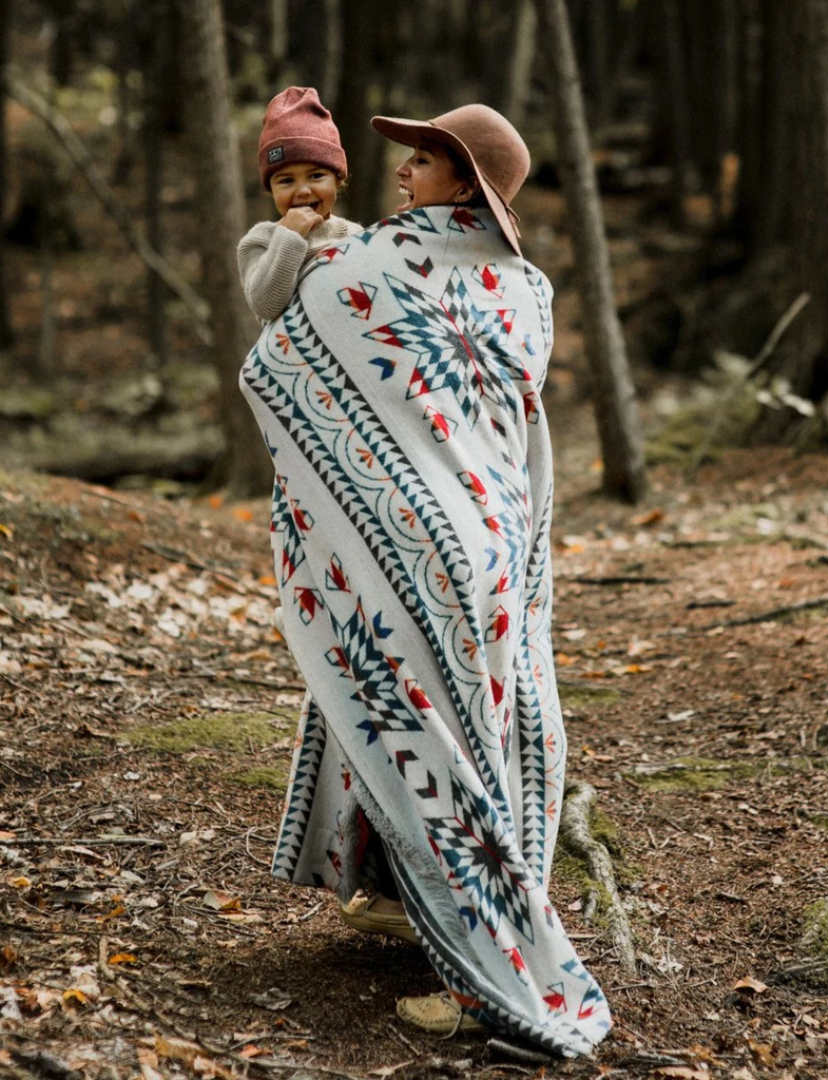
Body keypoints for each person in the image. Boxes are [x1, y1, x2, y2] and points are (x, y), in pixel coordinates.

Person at [240, 104, 611, 1058]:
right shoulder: (522, 286)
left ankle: (493, 983)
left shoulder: (368, 265)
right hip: (495, 538)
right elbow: (504, 414)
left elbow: (279, 357)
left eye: (422, 159)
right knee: (480, 739)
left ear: (464, 178)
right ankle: (420, 906)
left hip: (420, 539)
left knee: (433, 746)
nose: (402, 171)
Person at [237, 87, 362, 325]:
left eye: (315, 176)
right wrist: (290, 235)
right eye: (286, 181)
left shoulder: (356, 237)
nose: (303, 190)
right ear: (270, 190)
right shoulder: (259, 241)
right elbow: (265, 305)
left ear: (338, 180)